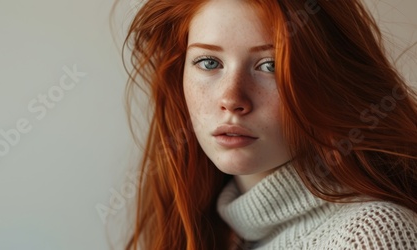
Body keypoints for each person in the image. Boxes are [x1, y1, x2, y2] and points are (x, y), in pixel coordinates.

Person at [119, 0, 417, 249]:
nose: (231, 98)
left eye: (269, 65)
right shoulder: (213, 232)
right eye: (209, 62)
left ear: (330, 82)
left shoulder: (371, 235)